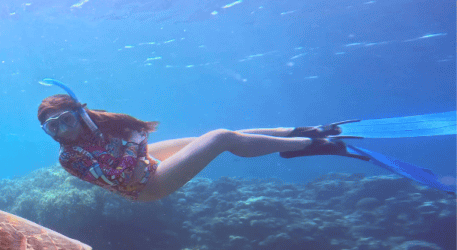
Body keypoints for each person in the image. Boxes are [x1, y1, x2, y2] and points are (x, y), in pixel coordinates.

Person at [37, 92, 364, 202]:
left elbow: (134, 141)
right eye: (53, 127)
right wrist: (136, 141)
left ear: (80, 114)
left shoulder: (98, 123)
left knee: (214, 136)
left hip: (144, 164)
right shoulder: (70, 158)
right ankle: (314, 144)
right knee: (220, 138)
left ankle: (301, 132)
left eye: (66, 119)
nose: (62, 130)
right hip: (147, 186)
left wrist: (134, 142)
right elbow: (123, 178)